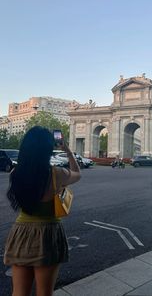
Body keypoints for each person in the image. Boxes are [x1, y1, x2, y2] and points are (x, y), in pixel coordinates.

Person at [3, 126, 81, 296]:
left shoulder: (15, 173)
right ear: (48, 149)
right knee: (44, 292)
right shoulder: (57, 174)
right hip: (48, 234)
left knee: (19, 292)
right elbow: (77, 173)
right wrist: (67, 150)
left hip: (21, 233)